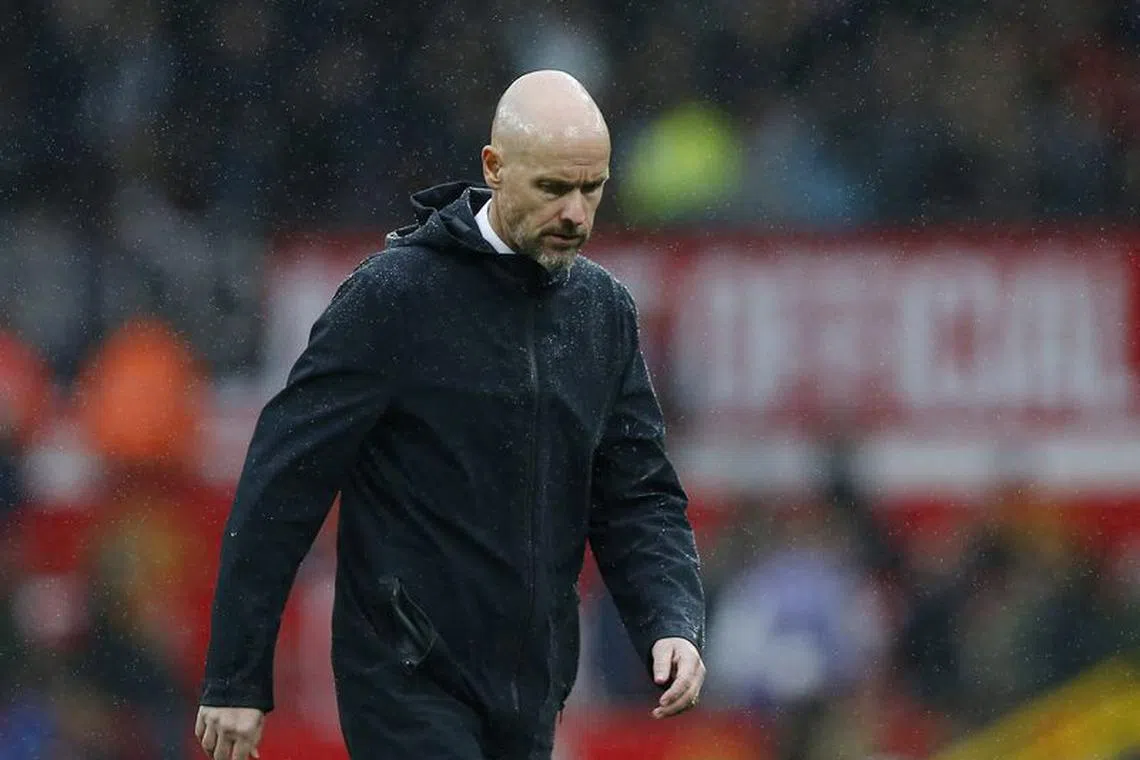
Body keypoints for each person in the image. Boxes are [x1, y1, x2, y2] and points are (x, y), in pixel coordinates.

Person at [194, 69, 706, 760]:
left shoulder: (602, 313)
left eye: (593, 189)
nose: (577, 215)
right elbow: (284, 480)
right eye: (554, 189)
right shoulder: (395, 297)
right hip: (407, 675)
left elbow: (636, 493)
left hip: (532, 683)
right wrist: (236, 675)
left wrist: (669, 618)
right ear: (494, 168)